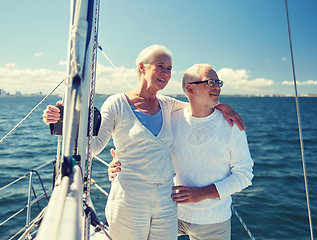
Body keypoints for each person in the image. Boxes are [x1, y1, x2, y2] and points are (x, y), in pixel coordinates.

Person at [42, 45, 246, 240]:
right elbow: (93, 147)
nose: (166, 73)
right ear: (142, 67)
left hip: (166, 201)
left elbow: (198, 106)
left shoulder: (168, 104)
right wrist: (66, 122)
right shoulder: (116, 103)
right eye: (160, 66)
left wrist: (222, 107)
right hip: (130, 198)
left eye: (169, 69)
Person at [108, 63, 254, 240]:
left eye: (218, 82)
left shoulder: (231, 125)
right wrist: (120, 165)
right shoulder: (170, 117)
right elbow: (147, 147)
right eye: (210, 82)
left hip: (212, 220)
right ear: (189, 89)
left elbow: (244, 175)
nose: (217, 86)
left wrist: (202, 193)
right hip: (168, 212)